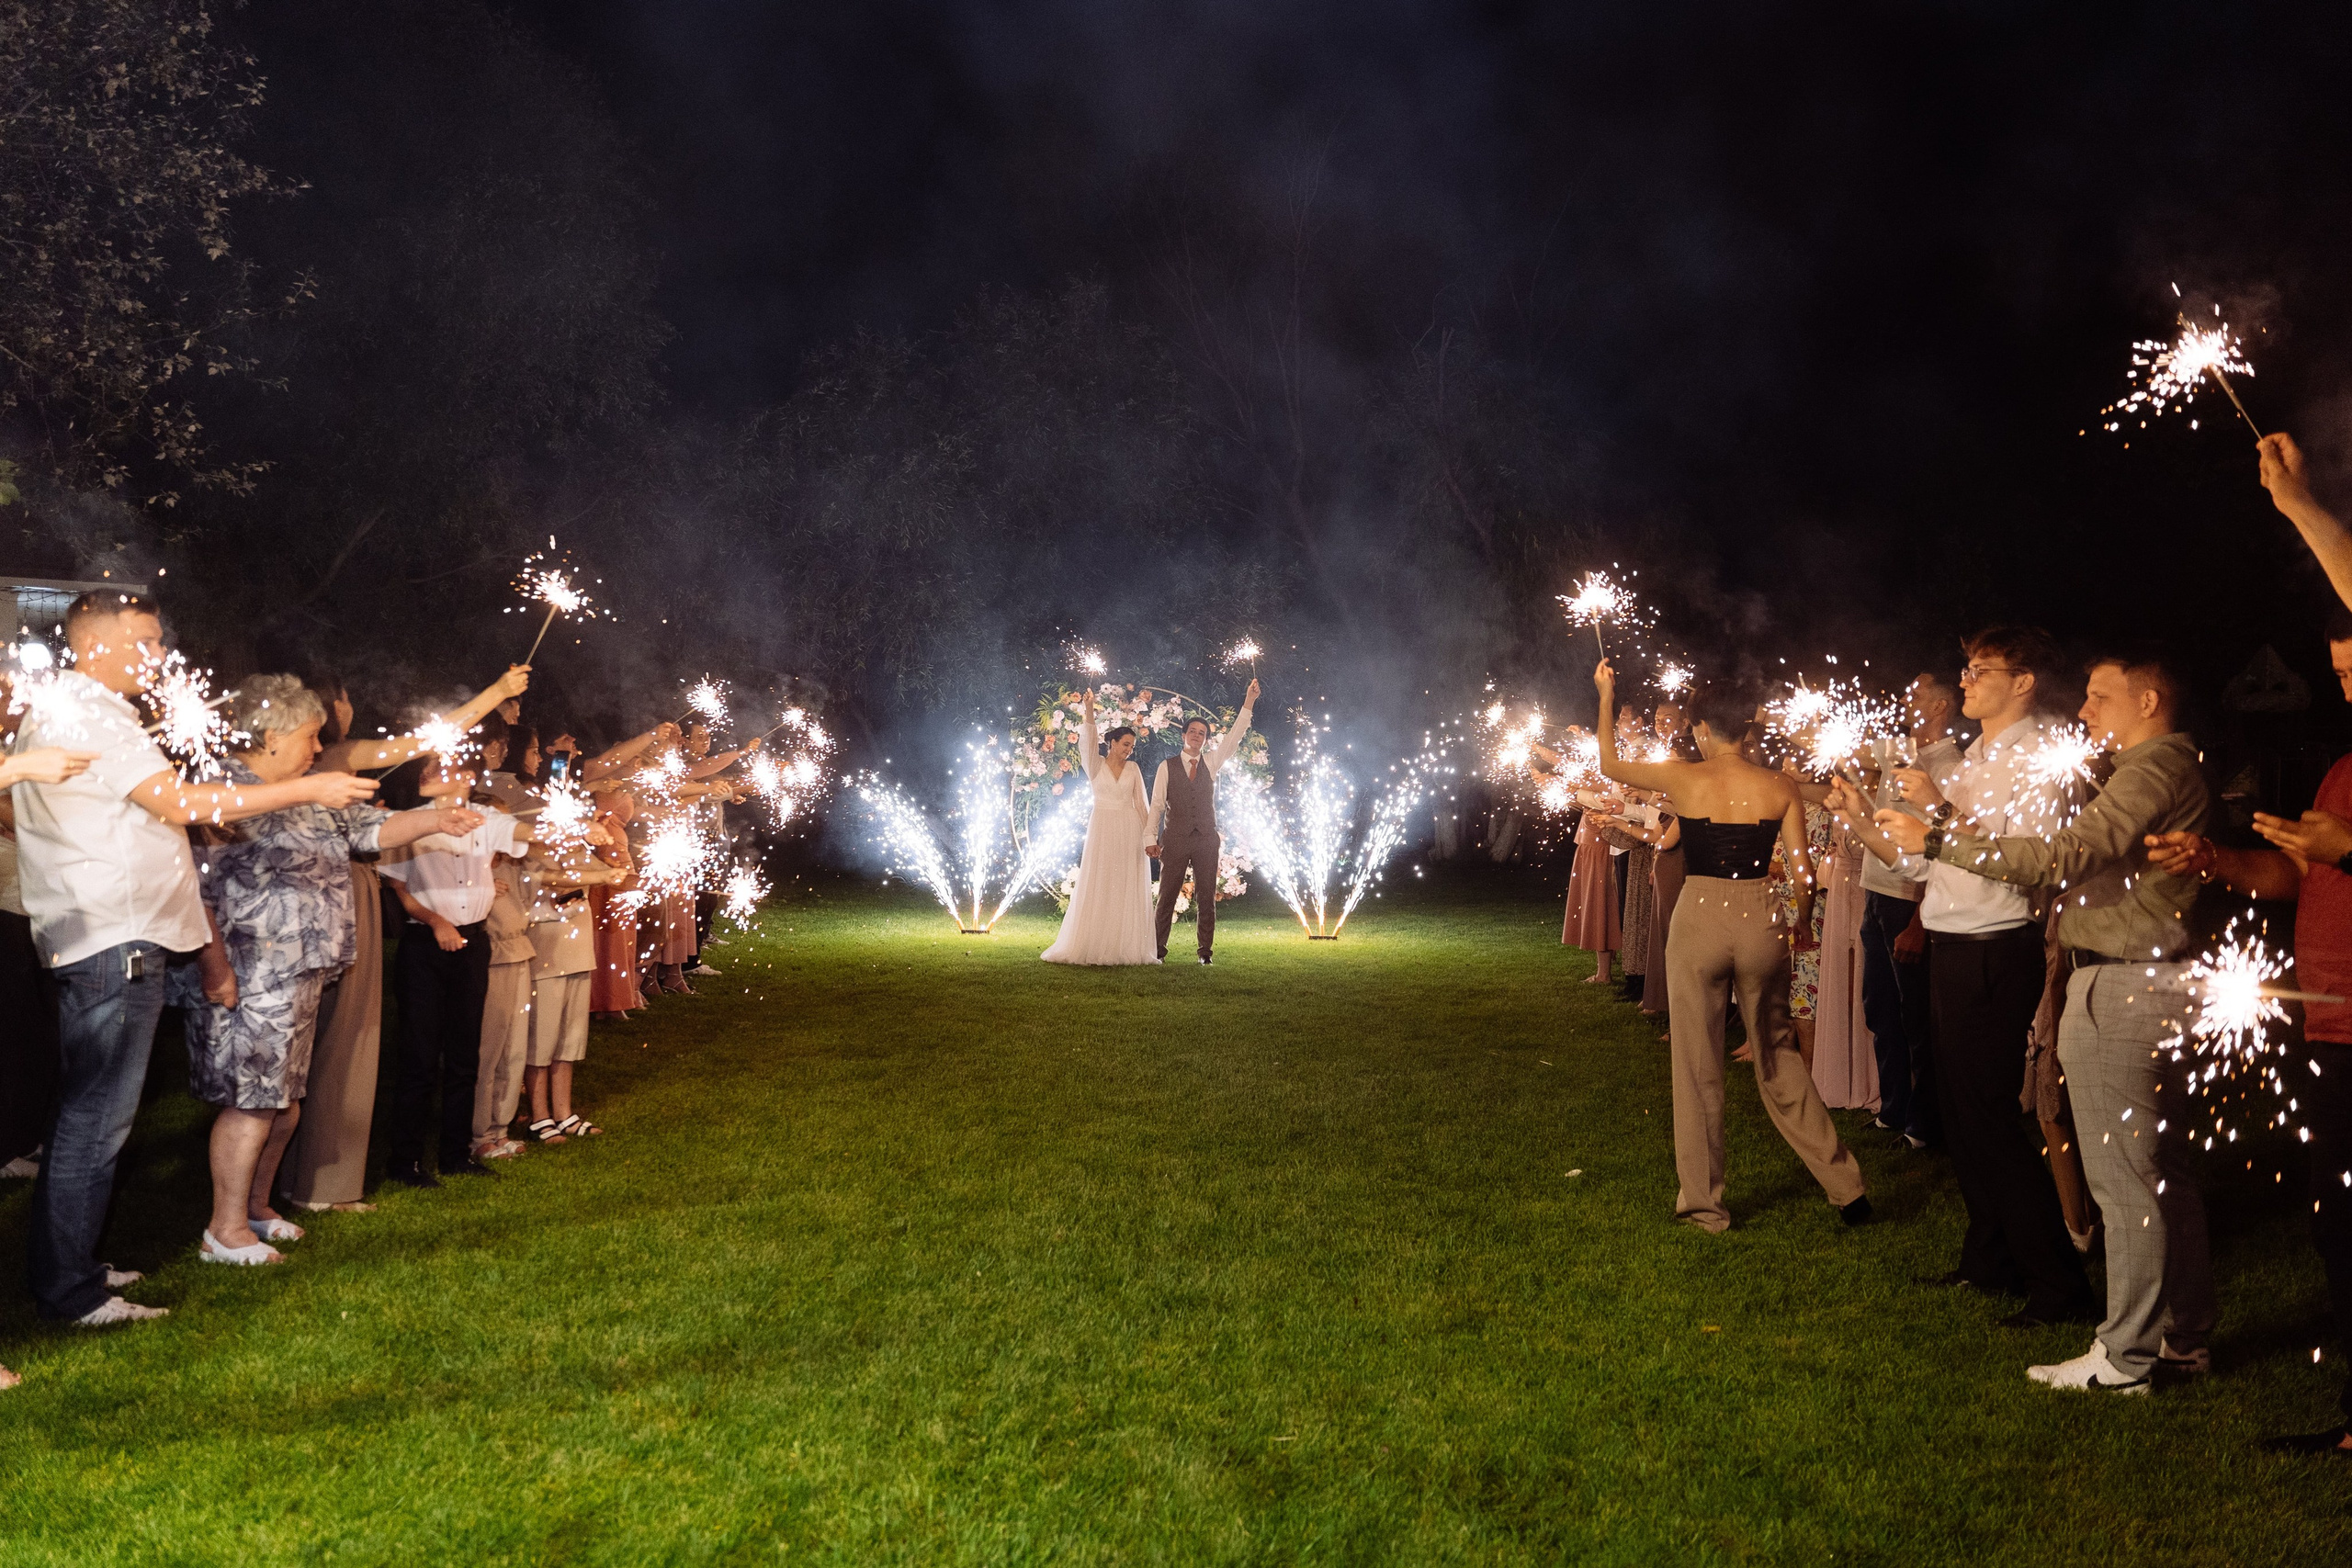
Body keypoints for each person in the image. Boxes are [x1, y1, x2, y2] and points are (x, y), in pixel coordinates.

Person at [13, 593, 379, 1325]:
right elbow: (178, 804)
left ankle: (72, 1264)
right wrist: (308, 785)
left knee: (91, 1116)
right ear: (94, 643)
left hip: (114, 929)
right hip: (113, 933)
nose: (158, 655)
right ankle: (71, 1293)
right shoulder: (86, 711)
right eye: (144, 641)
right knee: (95, 1121)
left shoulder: (89, 711)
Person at [1859, 652, 2211, 1392]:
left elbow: (2064, 853)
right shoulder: (2146, 771)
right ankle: (2182, 1334)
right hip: (2138, 975)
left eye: (2099, 696)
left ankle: (2125, 1355)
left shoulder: (2151, 770)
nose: (2083, 711)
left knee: (2126, 1182)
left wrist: (1937, 836)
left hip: (2122, 982)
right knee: (2160, 1175)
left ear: (2148, 700)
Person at [175, 677, 481, 1263]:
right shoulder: (218, 796)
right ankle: (224, 1230)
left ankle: (259, 1210)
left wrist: (437, 820)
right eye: (309, 737)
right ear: (268, 737)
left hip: (306, 968)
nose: (319, 749)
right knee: (251, 1100)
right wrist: (216, 970)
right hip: (252, 971)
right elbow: (197, 894)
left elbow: (370, 832)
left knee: (284, 1101)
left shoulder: (308, 791)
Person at [2147, 608, 2352, 1450]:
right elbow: (2297, 870)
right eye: (2342, 672)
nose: (2350, 685)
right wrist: (2219, 860)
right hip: (2330, 1020)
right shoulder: (2342, 767)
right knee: (2336, 1220)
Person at [1593, 660, 1869, 1232]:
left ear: (1699, 731)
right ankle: (1847, 1187)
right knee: (1778, 1055)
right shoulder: (1780, 785)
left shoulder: (1685, 778)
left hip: (1699, 917)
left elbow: (1609, 763)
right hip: (1762, 919)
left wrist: (1606, 693)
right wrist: (1803, 923)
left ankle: (1704, 1205)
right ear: (1748, 731)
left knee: (1697, 1065)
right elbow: (1804, 874)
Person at [1881, 626, 2097, 1327]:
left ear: (2024, 681)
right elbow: (1925, 863)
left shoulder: (2036, 756)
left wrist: (1939, 811)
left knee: (1992, 1119)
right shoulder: (1973, 754)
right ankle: (1990, 1258)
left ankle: (2059, 1285)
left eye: (1980, 670)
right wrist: (1860, 817)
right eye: (1965, 667)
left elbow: (2020, 857)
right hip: (1951, 939)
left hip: (1995, 946)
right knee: (1964, 1114)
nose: (1965, 681)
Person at [284, 662, 529, 1213]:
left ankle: (342, 1171)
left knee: (423, 1046)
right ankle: (345, 1172)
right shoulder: (332, 764)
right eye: (345, 700)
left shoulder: (339, 770)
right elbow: (424, 745)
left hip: (376, 912)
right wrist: (495, 690)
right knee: (367, 1046)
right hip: (346, 910)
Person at [378, 757, 532, 1186]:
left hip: (473, 944)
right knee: (420, 1056)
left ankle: (455, 1153)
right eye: (430, 770)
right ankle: (404, 1161)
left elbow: (522, 833)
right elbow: (400, 890)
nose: (433, 776)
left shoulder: (486, 818)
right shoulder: (407, 823)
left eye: (446, 768)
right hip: (425, 946)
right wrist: (436, 922)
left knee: (466, 1054)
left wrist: (569, 828)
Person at [1852, 678, 1963, 1149]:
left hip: (1911, 901)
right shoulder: (1898, 747)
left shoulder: (1951, 765)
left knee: (1916, 1016)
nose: (1903, 701)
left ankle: (1925, 1124)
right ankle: (1892, 1108)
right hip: (1877, 893)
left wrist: (1918, 922)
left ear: (1941, 704)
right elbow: (1848, 751)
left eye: (1914, 695)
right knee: (1880, 1009)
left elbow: (1944, 851)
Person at [1143, 679, 1260, 964]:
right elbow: (1157, 805)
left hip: (1207, 838)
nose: (1197, 736)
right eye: (1193, 731)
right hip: (1175, 838)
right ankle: (1157, 951)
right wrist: (1150, 839)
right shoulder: (1166, 766)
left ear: (1206, 739)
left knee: (1206, 898)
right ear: (1184, 735)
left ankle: (1205, 954)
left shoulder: (1212, 761)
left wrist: (1249, 702)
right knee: (1166, 897)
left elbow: (1235, 737)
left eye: (1202, 733)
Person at [1044, 687, 1159, 965]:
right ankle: (1095, 942)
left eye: (1132, 746)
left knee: (1125, 884)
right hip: (1103, 827)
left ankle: (1125, 945)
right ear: (1112, 743)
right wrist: (1089, 709)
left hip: (1129, 828)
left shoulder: (1133, 770)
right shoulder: (1094, 765)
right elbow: (1087, 741)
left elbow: (1142, 806)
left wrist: (1150, 838)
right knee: (1101, 880)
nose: (1129, 750)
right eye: (1125, 745)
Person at [523, 818, 617, 1141]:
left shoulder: (577, 851)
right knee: (541, 1039)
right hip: (545, 955)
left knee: (569, 1039)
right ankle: (539, 1115)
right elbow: (545, 890)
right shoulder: (528, 854)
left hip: (578, 954)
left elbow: (610, 875)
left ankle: (564, 1113)